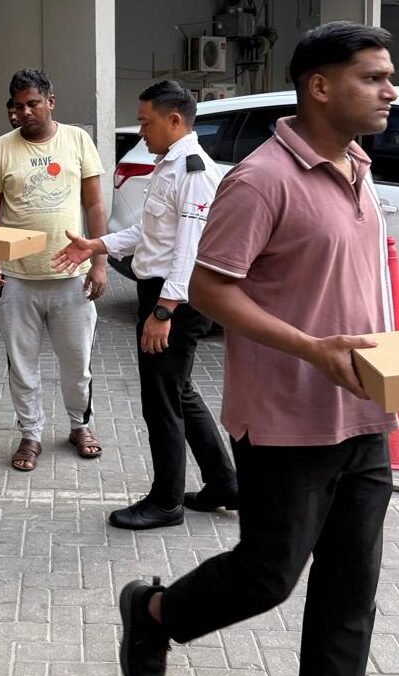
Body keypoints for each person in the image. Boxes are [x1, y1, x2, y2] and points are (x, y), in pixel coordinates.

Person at [118, 22, 399, 676]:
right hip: (288, 419)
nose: (389, 91)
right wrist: (312, 348)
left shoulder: (356, 164)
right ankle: (153, 613)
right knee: (267, 575)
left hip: (365, 412)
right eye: (373, 77)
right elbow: (211, 289)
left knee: (352, 578)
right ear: (320, 85)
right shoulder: (261, 179)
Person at [52, 81, 237, 530]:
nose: (141, 132)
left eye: (145, 123)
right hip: (163, 293)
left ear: (174, 120)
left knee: (161, 401)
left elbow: (189, 250)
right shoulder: (169, 164)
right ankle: (224, 485)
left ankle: (166, 501)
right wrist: (96, 244)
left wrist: (163, 312)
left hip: (173, 299)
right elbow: (149, 234)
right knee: (179, 391)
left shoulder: (192, 171)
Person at [0, 68, 107, 472]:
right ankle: (30, 434)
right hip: (18, 279)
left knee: (78, 365)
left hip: (72, 276)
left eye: (32, 103)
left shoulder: (77, 140)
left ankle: (80, 426)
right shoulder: (1, 148)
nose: (24, 112)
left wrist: (99, 261)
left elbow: (94, 205)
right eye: (18, 106)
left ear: (50, 102)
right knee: (22, 367)